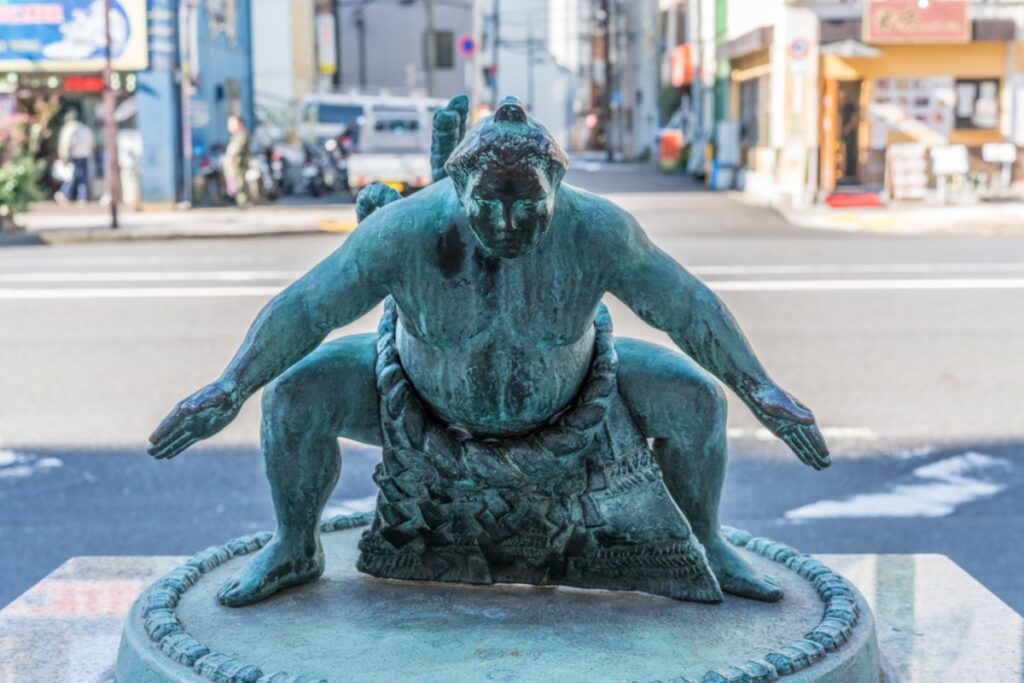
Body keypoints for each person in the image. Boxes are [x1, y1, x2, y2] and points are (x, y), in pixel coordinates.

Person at [148, 97, 830, 608]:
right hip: (418, 396)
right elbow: (308, 306)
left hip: (575, 398)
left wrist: (759, 387)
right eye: (487, 204)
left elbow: (685, 305)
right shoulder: (405, 232)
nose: (507, 223)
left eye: (528, 204)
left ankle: (708, 539)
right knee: (293, 397)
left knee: (697, 402)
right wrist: (230, 386)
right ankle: (295, 546)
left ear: (556, 187)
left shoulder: (600, 231)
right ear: (457, 188)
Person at [56, 109, 94, 203]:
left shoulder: (69, 128)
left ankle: (65, 194)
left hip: (73, 156)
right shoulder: (85, 128)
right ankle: (82, 197)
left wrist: (64, 156)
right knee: (82, 178)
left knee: (70, 176)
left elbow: (65, 143)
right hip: (84, 155)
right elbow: (91, 143)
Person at [222, 115, 250, 206]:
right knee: (234, 182)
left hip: (239, 163)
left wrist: (231, 156)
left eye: (232, 124)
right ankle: (240, 201)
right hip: (233, 164)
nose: (229, 126)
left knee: (239, 183)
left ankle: (243, 202)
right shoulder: (235, 136)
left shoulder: (242, 135)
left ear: (240, 124)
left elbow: (237, 150)